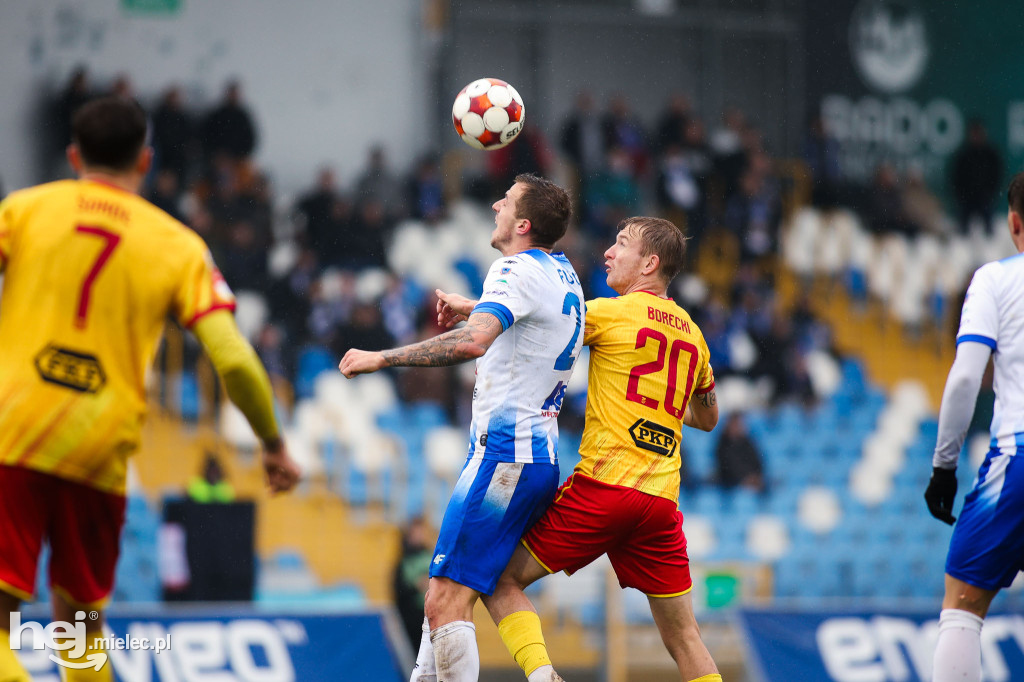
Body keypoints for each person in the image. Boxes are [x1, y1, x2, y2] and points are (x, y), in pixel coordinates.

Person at [0, 97, 300, 682]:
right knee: (81, 633)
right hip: (99, 448)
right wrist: (271, 442)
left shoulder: (24, 211)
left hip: (13, 431)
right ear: (145, 159)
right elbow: (234, 359)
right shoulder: (177, 245)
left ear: (72, 155)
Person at [438, 216, 720, 682]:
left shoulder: (613, 313)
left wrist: (471, 306)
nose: (608, 252)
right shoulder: (694, 336)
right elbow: (708, 417)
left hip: (606, 489)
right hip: (660, 503)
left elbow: (542, 320)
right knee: (685, 636)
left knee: (499, 577)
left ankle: (543, 674)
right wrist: (664, 409)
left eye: (621, 244)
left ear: (650, 263)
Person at [339, 173, 583, 682]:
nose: (495, 204)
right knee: (450, 595)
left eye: (506, 201)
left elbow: (472, 344)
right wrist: (476, 305)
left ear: (523, 224)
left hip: (504, 461)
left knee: (447, 597)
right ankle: (542, 677)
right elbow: (534, 322)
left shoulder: (512, 268)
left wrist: (381, 357)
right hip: (534, 457)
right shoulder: (561, 273)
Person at [925, 172, 1024, 682]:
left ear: (1014, 223)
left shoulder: (996, 279)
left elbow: (966, 378)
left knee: (963, 601)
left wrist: (945, 466)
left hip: (1019, 455)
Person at [713, 413, 765, 491]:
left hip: (751, 483)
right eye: (735, 424)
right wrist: (745, 478)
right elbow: (728, 468)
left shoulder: (748, 442)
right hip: (732, 485)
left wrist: (756, 477)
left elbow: (757, 462)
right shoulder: (722, 445)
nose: (738, 427)